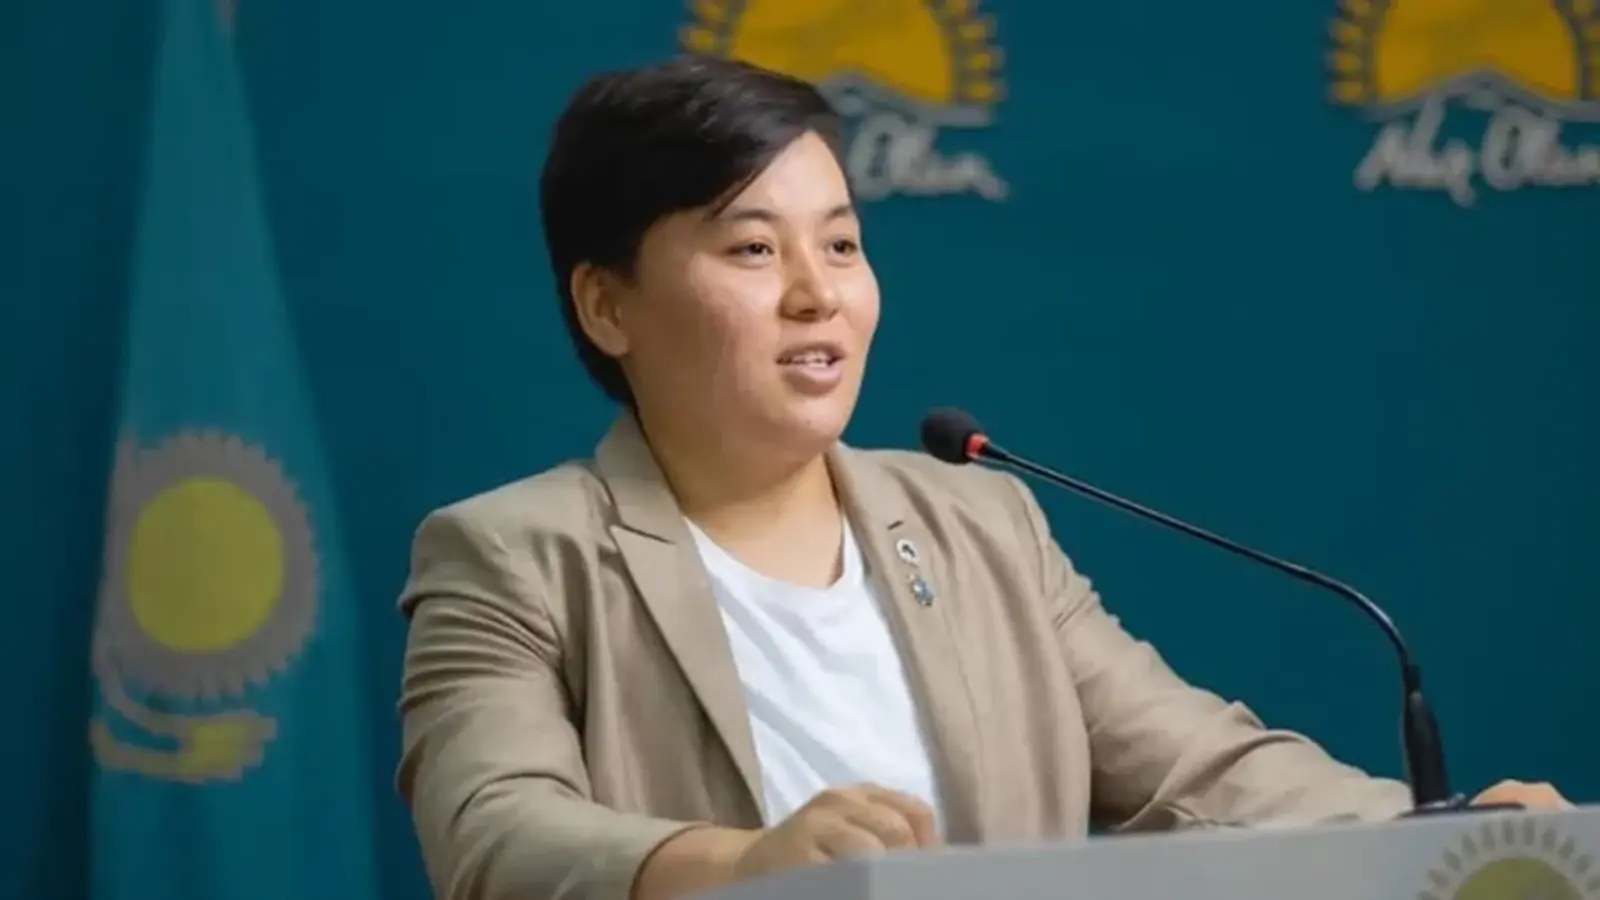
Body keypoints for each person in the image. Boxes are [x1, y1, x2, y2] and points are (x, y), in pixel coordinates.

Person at [395, 55, 1572, 900]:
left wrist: (1439, 834)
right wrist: (745, 868)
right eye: (753, 248)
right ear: (606, 305)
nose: (818, 293)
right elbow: (496, 834)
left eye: (841, 244)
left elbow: (1194, 771)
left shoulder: (977, 522)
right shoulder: (511, 555)